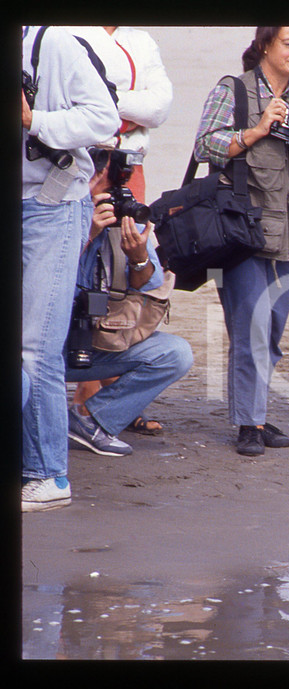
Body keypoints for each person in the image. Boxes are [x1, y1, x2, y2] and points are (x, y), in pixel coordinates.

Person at [194, 26, 289, 456]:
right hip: (239, 229)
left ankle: (253, 413)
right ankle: (249, 424)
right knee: (251, 328)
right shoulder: (234, 89)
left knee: (271, 332)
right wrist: (256, 130)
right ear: (264, 45)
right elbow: (205, 146)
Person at [22, 25, 120, 513]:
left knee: (36, 347)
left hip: (51, 202)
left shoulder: (53, 42)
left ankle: (47, 474)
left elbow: (105, 118)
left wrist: (34, 118)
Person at [67, 25, 174, 436]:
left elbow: (160, 108)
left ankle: (106, 401)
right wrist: (126, 109)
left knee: (128, 264)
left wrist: (104, 102)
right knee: (80, 250)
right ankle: (86, 396)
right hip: (79, 159)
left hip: (128, 164)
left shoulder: (141, 39)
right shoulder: (66, 29)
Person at [65, 147, 193, 459]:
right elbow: (41, 274)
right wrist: (88, 233)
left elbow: (149, 284)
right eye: (105, 187)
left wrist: (138, 257)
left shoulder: (125, 219)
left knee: (174, 353)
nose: (110, 198)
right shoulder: (57, 214)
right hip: (44, 348)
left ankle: (89, 422)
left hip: (95, 345)